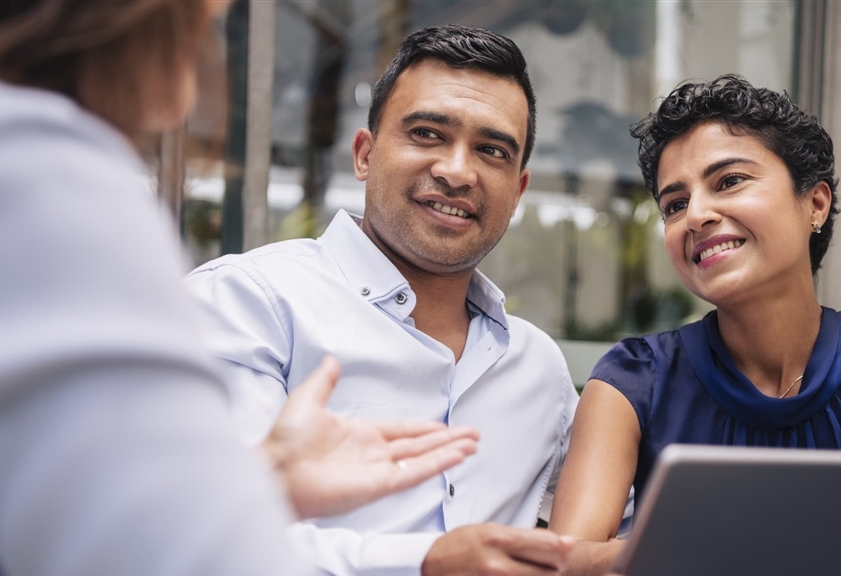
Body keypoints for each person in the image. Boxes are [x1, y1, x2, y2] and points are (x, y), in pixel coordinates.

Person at [0, 1, 480, 574]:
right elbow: (166, 554)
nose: (206, 61)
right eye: (209, 19)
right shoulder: (34, 180)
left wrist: (256, 482)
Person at [184, 24, 579, 576]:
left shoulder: (538, 369)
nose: (457, 171)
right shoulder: (249, 303)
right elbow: (197, 535)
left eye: (491, 150)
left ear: (517, 192)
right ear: (365, 155)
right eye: (426, 134)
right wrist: (426, 562)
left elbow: (618, 531)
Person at [547, 74, 841, 574]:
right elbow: (564, 564)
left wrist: (696, 554)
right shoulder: (633, 379)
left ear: (815, 204)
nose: (697, 215)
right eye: (675, 204)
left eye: (729, 181)